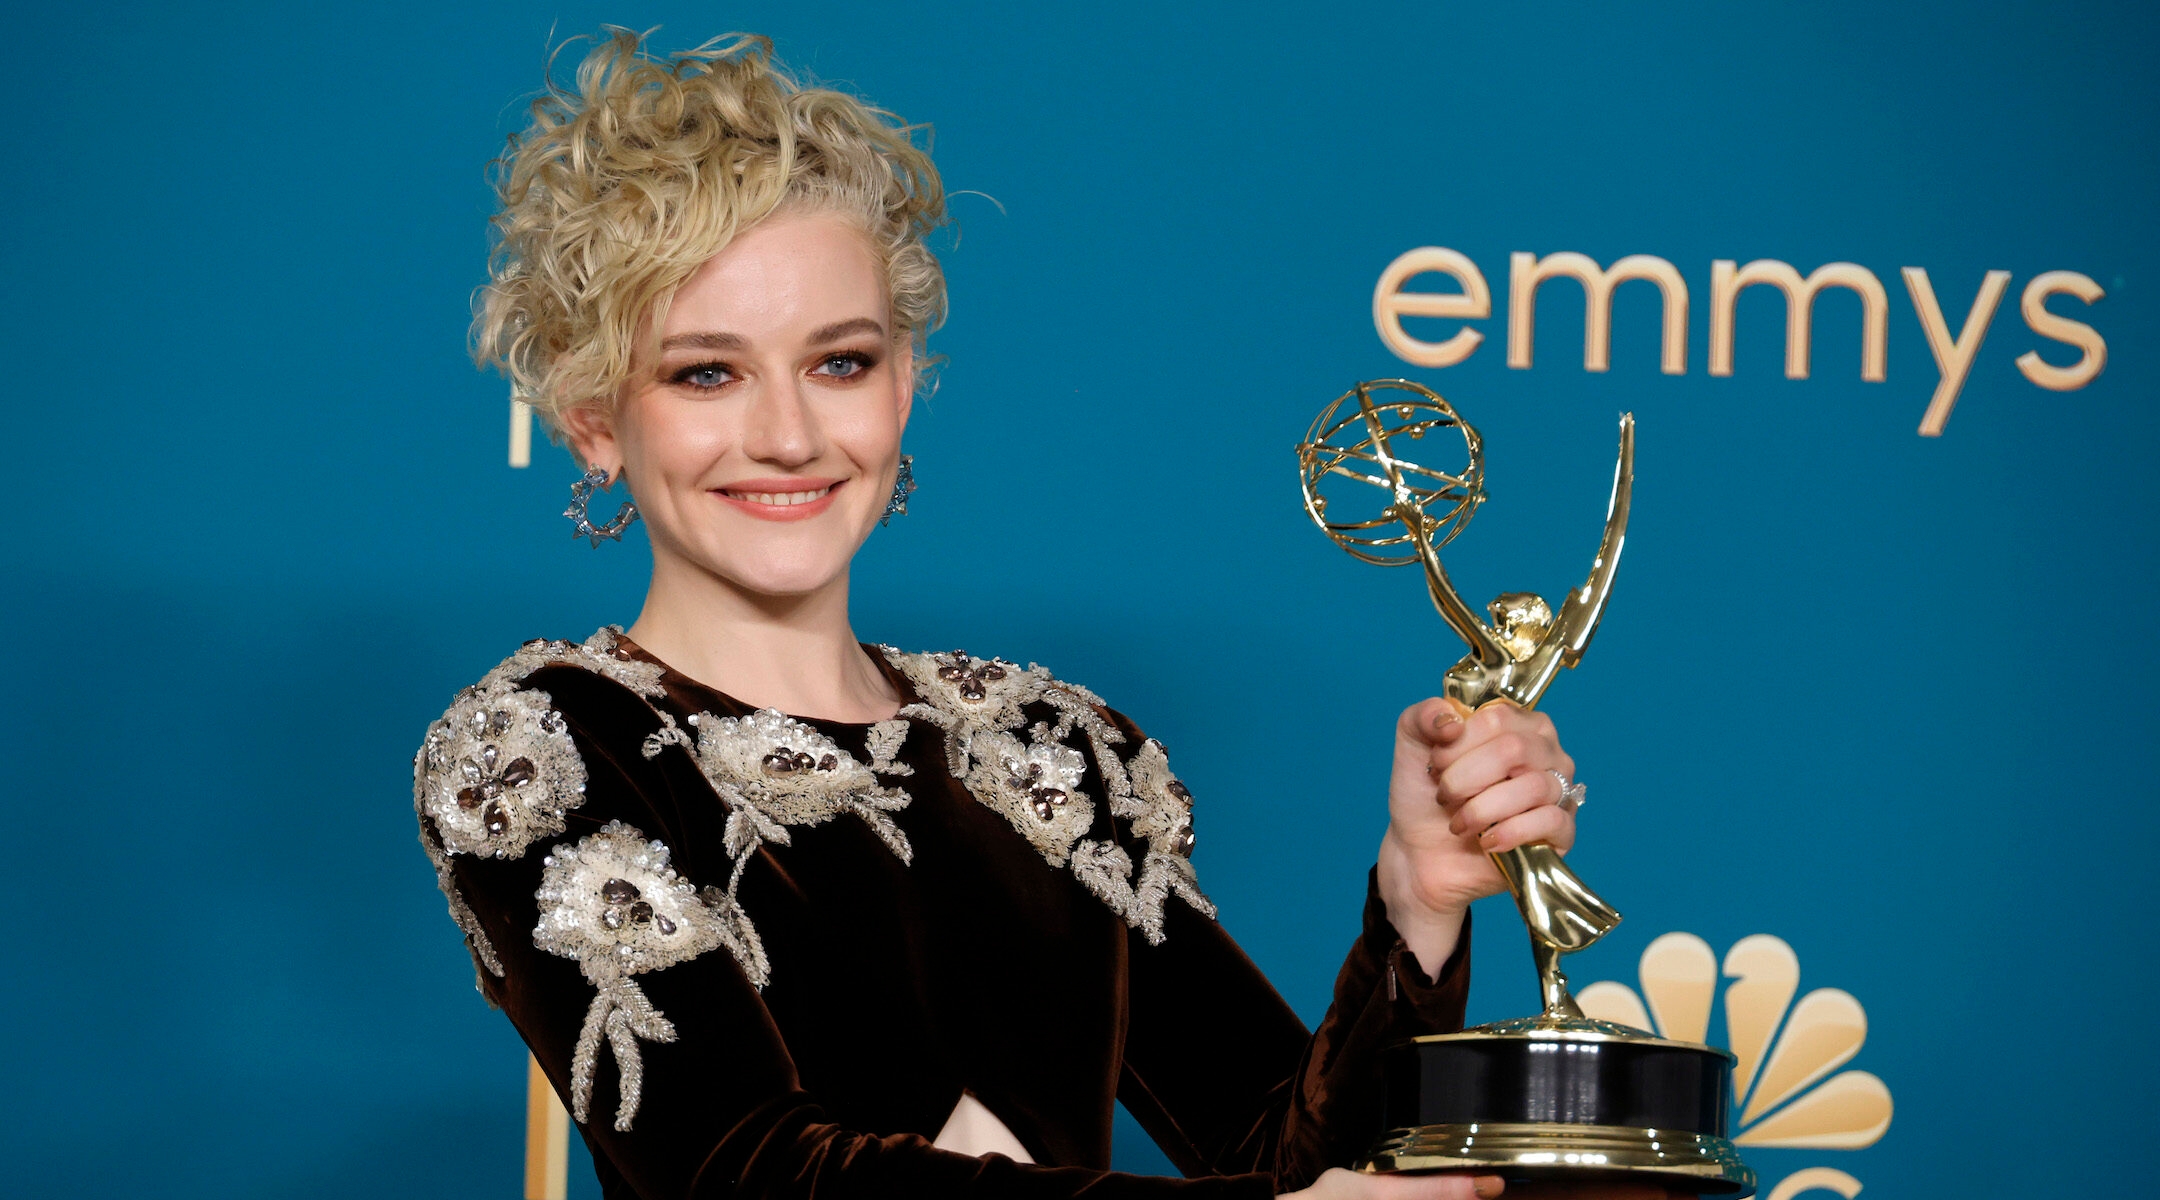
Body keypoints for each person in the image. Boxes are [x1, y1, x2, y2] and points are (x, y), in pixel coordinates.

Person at [417, 29, 1592, 1200]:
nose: (787, 434)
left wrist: (1417, 907)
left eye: (839, 362)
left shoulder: (1055, 751)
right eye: (705, 373)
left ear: (906, 377)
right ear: (589, 417)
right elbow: (742, 1174)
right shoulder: (549, 746)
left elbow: (1294, 1167)